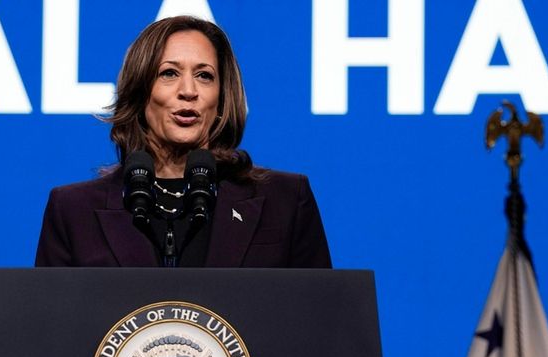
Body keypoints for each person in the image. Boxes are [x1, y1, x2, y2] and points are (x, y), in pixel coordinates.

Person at [35, 16, 331, 268]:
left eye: (204, 76)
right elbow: (50, 329)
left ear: (221, 98)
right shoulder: (74, 212)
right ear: (140, 92)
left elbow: (320, 322)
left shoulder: (286, 201)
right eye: (169, 73)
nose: (188, 90)